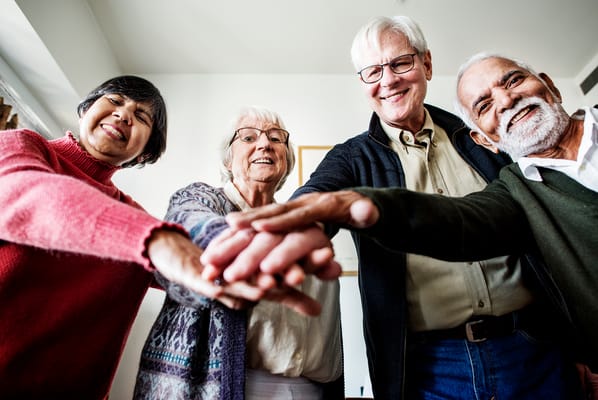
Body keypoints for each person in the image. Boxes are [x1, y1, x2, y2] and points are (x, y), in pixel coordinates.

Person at [202, 18, 582, 399]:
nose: (388, 80)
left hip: (535, 347)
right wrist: (297, 227)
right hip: (429, 366)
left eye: (400, 63)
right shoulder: (351, 157)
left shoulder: (481, 133)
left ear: (426, 65)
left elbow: (551, 223)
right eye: (372, 71)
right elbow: (317, 195)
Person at [0, 76, 333, 400]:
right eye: (115, 100)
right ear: (85, 108)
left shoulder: (131, 212)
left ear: (146, 150)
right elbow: (28, 194)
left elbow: (181, 277)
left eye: (141, 116)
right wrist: (161, 241)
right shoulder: (22, 146)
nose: (123, 113)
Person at [134, 106, 344, 400]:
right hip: (222, 388)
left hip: (310, 389)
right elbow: (189, 222)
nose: (265, 144)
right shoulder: (200, 198)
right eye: (248, 137)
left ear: (286, 159)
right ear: (228, 159)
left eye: (276, 138)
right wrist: (227, 244)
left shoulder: (302, 222)